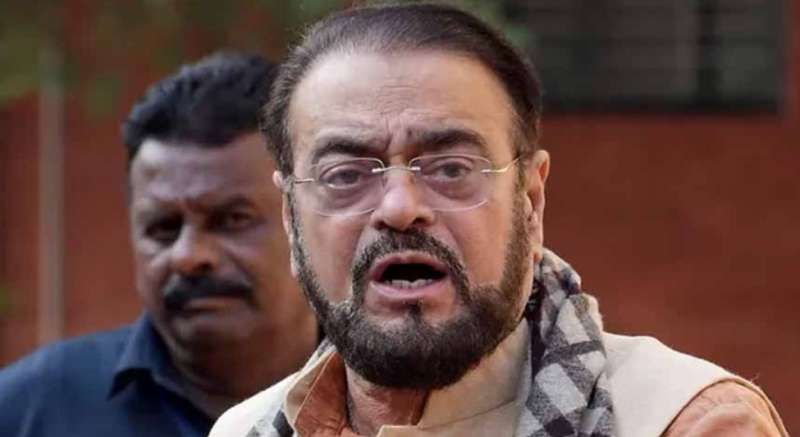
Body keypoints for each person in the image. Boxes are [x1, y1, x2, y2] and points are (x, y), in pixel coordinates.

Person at [209, 4, 788, 437]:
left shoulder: (681, 421)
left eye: (451, 168)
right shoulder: (246, 430)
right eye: (346, 174)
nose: (399, 207)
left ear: (531, 201)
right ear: (291, 220)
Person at [0, 52, 318, 437]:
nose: (189, 255)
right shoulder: (30, 411)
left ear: (306, 220)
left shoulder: (382, 401)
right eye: (163, 228)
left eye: (232, 219)